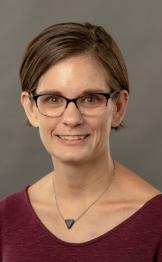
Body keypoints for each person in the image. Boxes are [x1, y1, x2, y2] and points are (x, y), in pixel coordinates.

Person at [0, 22, 162, 261]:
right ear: (30, 108)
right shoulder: (5, 220)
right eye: (53, 99)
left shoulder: (157, 225)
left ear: (118, 107)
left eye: (90, 99)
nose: (72, 119)